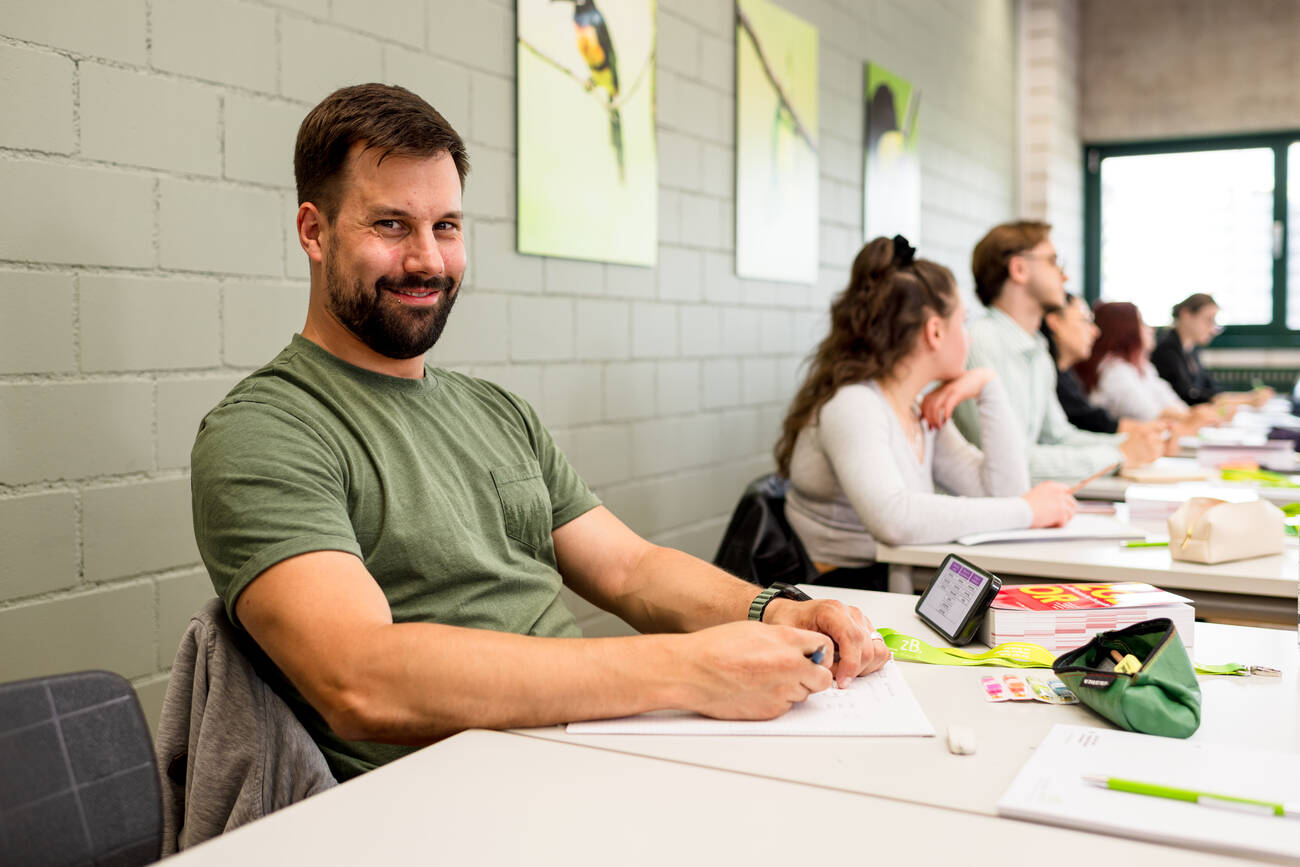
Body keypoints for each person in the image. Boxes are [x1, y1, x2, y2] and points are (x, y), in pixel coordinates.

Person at [189, 83, 889, 782]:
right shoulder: (266, 430)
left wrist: (770, 610)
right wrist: (688, 668)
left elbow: (629, 568)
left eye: (447, 226)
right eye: (391, 225)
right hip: (449, 800)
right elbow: (359, 677)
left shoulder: (496, 410)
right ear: (315, 231)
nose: (428, 260)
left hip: (584, 754)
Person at [776, 236, 1077, 587]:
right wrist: (1028, 511)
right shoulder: (854, 404)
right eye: (962, 322)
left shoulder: (916, 407)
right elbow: (895, 519)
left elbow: (1003, 493)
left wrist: (988, 387)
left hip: (885, 586)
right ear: (935, 331)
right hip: (835, 595)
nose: (969, 338)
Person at [953, 221, 1161, 482]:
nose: (1064, 277)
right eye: (1053, 262)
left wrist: (1131, 441)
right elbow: (1012, 462)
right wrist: (1117, 455)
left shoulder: (1037, 348)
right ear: (1018, 269)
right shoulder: (982, 343)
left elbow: (1059, 437)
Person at [1042, 295, 1192, 454]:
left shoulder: (1066, 374)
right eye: (1085, 320)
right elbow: (1085, 423)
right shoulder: (1114, 370)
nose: (1095, 331)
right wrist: (1128, 446)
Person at [1075, 301, 1217, 427]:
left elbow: (1170, 402)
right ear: (1125, 331)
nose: (1151, 329)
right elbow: (1150, 415)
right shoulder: (1114, 370)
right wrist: (1193, 417)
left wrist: (1192, 414)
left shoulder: (1142, 367)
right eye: (1142, 323)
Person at [1151, 292, 1272, 409]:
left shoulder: (1191, 350)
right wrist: (1247, 400)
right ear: (1186, 314)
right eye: (1208, 320)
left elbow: (1212, 389)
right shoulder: (1166, 350)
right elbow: (1190, 396)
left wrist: (1247, 398)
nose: (1213, 329)